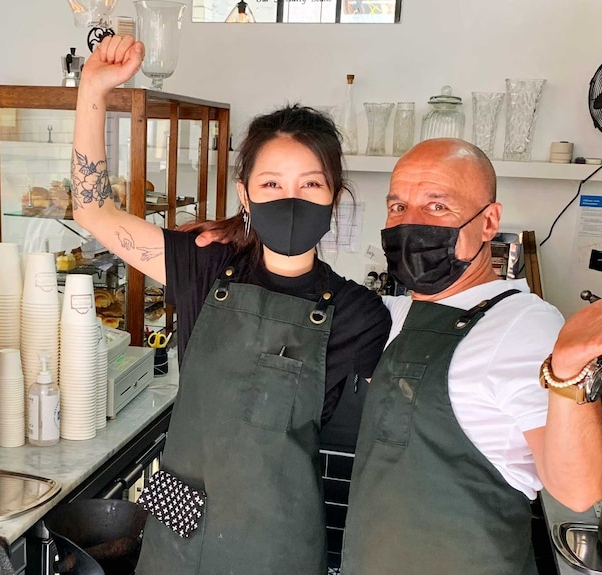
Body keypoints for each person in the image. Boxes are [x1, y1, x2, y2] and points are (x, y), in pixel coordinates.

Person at [71, 35, 391, 574]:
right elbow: (93, 210)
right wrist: (93, 88)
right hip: (178, 535)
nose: (290, 198)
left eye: (310, 184)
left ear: (335, 195)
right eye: (271, 183)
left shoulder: (361, 316)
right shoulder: (203, 266)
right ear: (245, 194)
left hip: (278, 544)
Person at [337, 139, 602, 575]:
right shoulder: (395, 314)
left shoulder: (521, 325)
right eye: (397, 207)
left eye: (437, 206)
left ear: (489, 221)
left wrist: (569, 370)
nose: (409, 224)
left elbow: (579, 488)